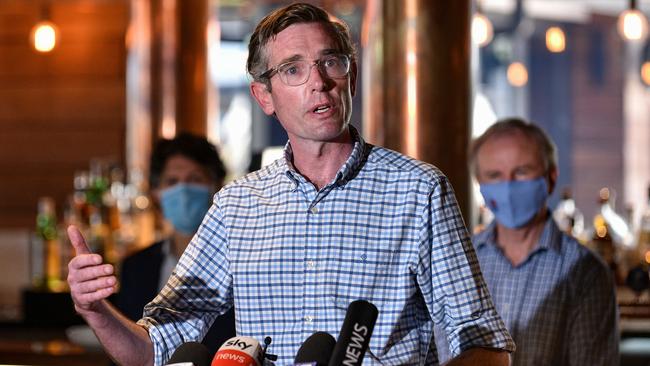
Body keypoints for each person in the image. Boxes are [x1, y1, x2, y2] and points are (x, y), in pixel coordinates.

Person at [66, 3, 514, 365]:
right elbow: (155, 349)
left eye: (329, 63)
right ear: (264, 96)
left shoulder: (419, 191)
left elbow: (486, 347)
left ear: (350, 77)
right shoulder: (236, 206)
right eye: (293, 70)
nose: (318, 82)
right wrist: (95, 312)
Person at [439, 118, 618, 365]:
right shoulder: (455, 262)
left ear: (551, 178)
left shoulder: (585, 273)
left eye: (521, 172)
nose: (508, 186)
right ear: (480, 185)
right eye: (494, 175)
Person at [115, 133, 235, 351]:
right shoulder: (135, 267)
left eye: (195, 179)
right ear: (156, 193)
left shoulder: (239, 261)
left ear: (217, 187)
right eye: (172, 181)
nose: (184, 190)